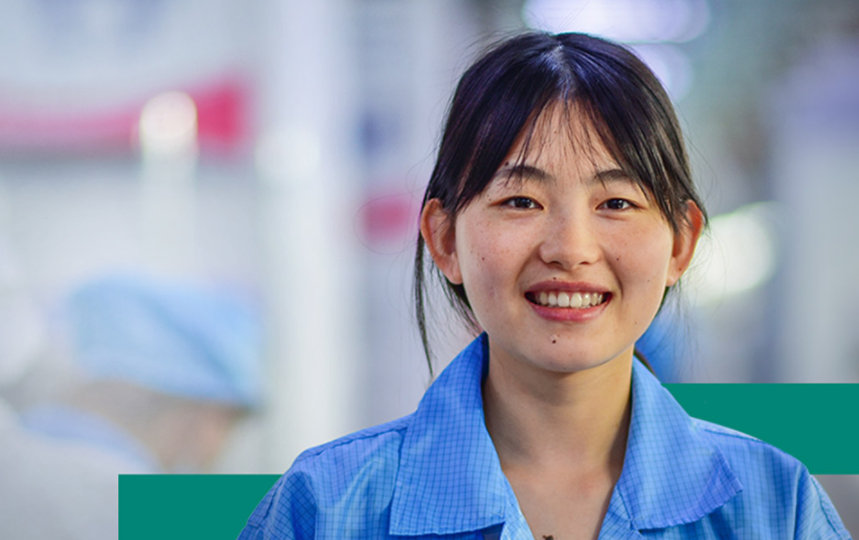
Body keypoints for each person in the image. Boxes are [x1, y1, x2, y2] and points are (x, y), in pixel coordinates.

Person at [240, 32, 850, 539]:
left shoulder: (775, 510)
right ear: (445, 239)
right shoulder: (326, 511)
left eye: (616, 202)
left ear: (681, 243)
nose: (570, 249)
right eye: (521, 200)